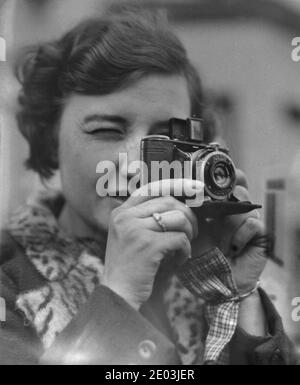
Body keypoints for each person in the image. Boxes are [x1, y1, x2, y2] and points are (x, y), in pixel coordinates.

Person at [0, 8, 296, 365]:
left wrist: (239, 296)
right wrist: (119, 296)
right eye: (106, 130)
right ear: (50, 141)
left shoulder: (200, 265)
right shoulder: (8, 277)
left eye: (168, 136)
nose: (138, 161)